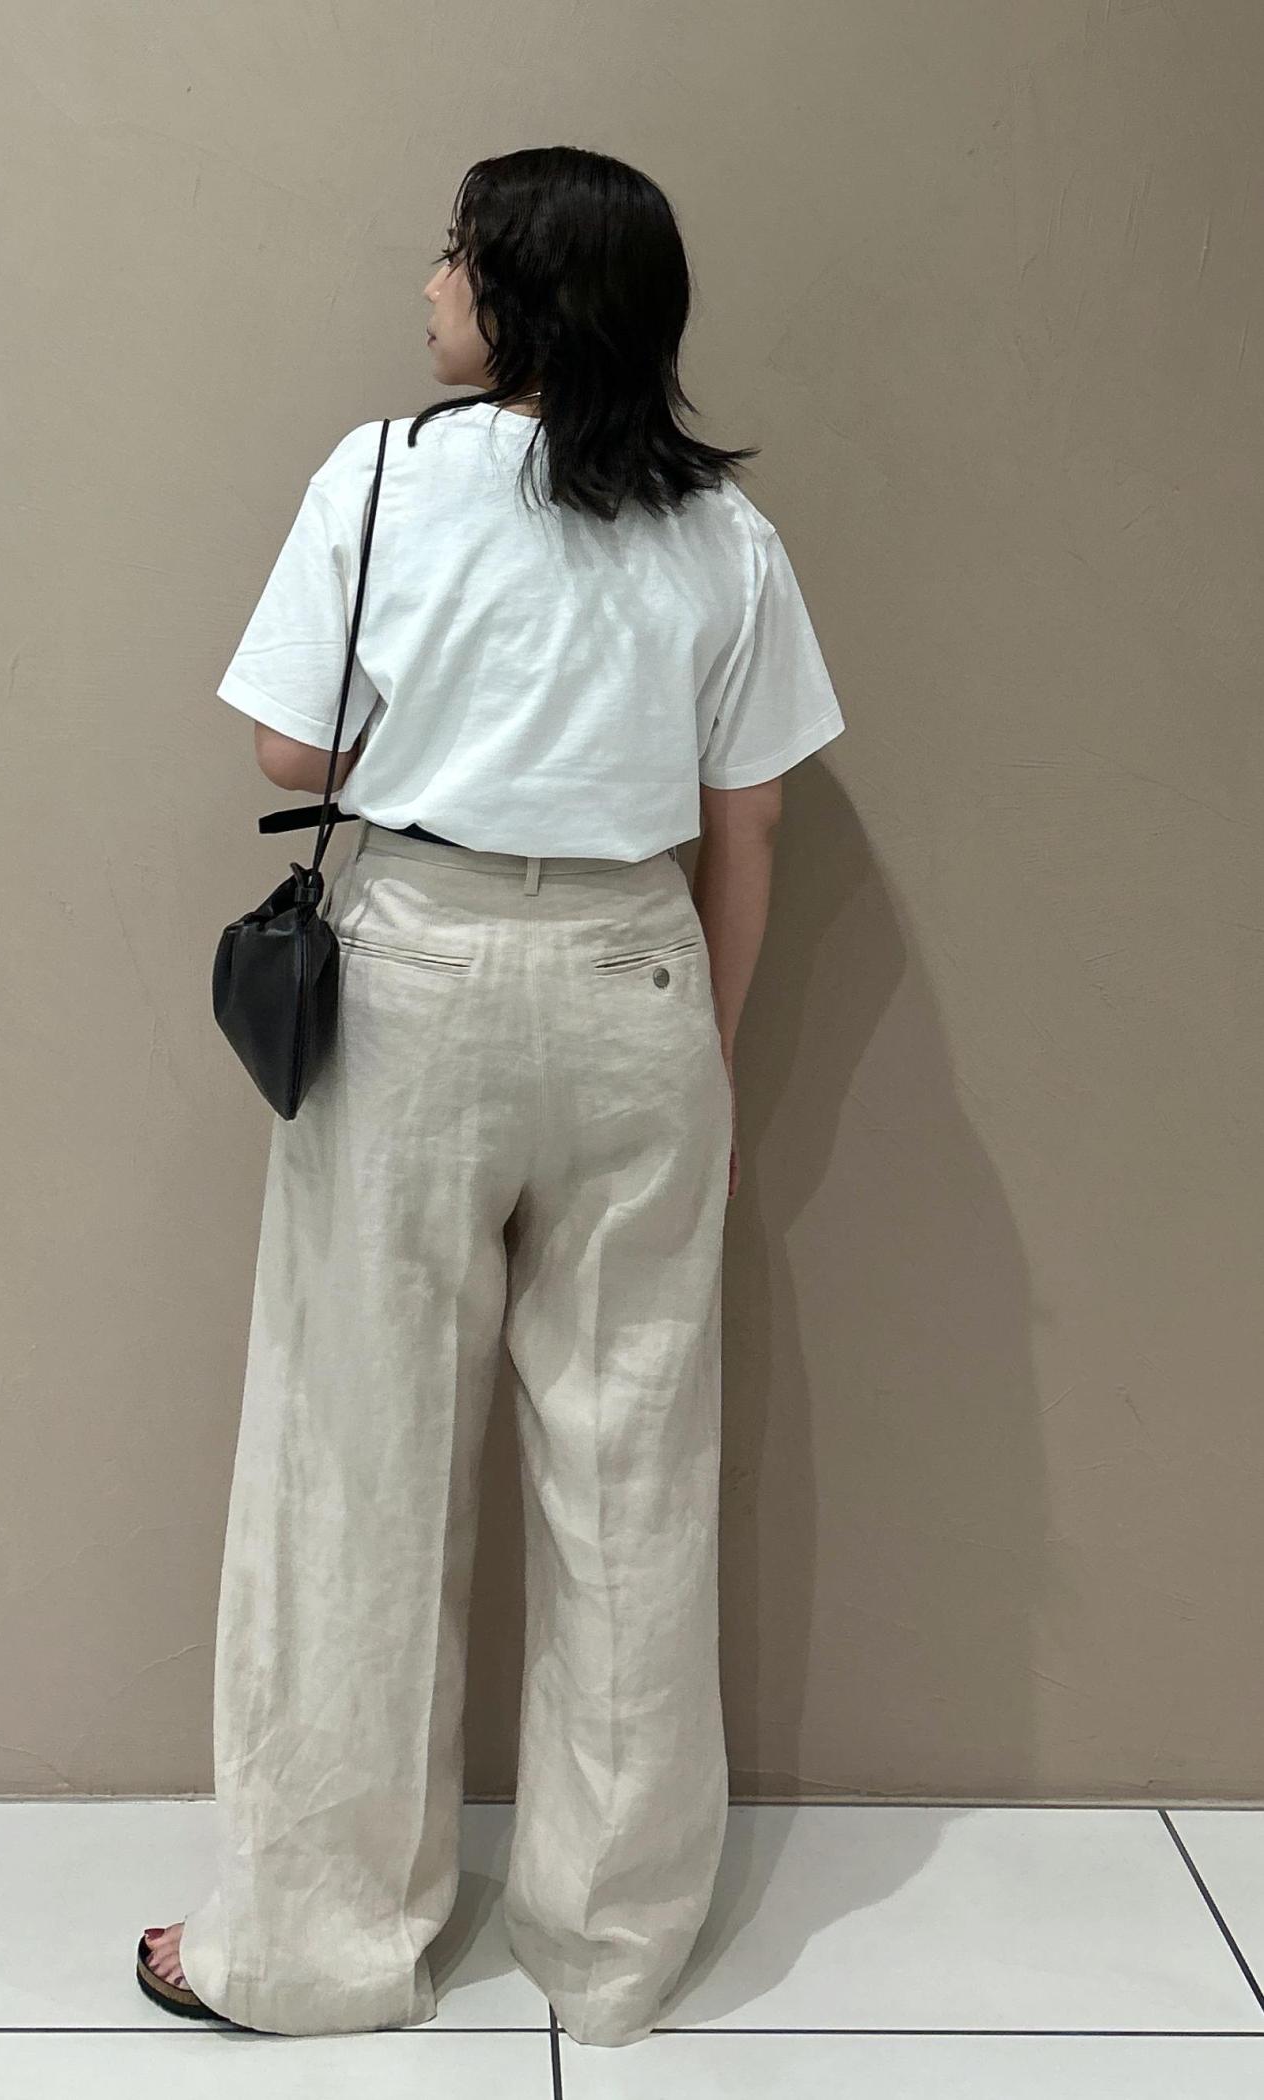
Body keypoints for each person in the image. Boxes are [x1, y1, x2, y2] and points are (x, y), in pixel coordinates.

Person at [138, 144, 844, 2049]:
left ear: (518, 292)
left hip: (420, 976)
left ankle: (315, 1945)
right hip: (638, 983)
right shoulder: (725, 533)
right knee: (632, 1471)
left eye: (455, 256)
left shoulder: (382, 476)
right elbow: (752, 821)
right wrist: (708, 1051)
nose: (430, 285)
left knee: (355, 1461)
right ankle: (613, 1952)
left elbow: (288, 749)